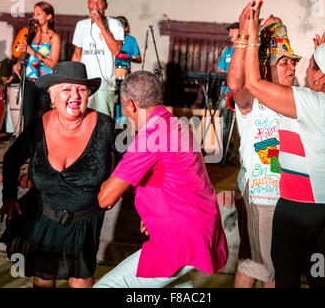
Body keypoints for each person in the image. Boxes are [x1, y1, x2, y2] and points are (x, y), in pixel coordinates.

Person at [244, 0, 325, 288]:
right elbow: (315, 94)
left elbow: (254, 84)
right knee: (319, 269)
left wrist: (252, 35)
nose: (305, 71)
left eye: (311, 66)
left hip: (304, 204)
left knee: (286, 274)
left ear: (321, 76)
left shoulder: (307, 101)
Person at [92, 71, 228, 288]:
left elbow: (105, 199)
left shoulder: (150, 136)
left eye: (124, 108)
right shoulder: (178, 125)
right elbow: (178, 178)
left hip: (180, 239)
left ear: (131, 105)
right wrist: (151, 214)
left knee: (106, 287)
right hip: (200, 229)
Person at [0, 61, 122, 288]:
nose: (75, 95)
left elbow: (136, 159)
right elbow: (11, 158)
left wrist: (117, 186)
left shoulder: (105, 127)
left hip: (84, 222)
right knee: (43, 278)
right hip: (44, 215)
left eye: (82, 90)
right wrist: (9, 196)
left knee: (81, 279)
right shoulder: (37, 128)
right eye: (67, 89)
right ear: (52, 96)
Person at [227, 1, 301, 288]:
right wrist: (246, 33)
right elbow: (236, 84)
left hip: (290, 196)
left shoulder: (297, 98)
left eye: (293, 62)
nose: (291, 67)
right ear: (268, 67)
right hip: (261, 195)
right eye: (284, 62)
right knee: (262, 266)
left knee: (263, 264)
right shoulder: (253, 99)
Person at [71, 0, 124, 117]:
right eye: (92, 2)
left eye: (100, 2)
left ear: (106, 5)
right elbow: (77, 54)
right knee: (82, 118)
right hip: (84, 80)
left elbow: (116, 51)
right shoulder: (81, 25)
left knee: (103, 119)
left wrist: (101, 25)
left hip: (104, 82)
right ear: (88, 4)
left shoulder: (115, 24)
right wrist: (72, 79)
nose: (95, 5)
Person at [10, 1, 61, 129]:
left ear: (49, 16)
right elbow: (26, 56)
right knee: (28, 119)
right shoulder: (31, 34)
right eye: (34, 13)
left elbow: (53, 63)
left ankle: (41, 147)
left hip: (45, 83)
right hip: (28, 81)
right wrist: (18, 64)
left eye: (39, 14)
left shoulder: (53, 37)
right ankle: (28, 147)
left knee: (42, 118)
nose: (35, 16)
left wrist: (34, 52)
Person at [215, 22, 240, 154]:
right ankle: (226, 151)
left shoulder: (242, 51)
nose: (229, 33)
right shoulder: (227, 51)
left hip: (239, 93)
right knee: (223, 123)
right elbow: (219, 70)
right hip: (225, 92)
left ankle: (236, 152)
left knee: (238, 124)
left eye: (232, 30)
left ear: (239, 31)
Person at [114, 16, 142, 124]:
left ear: (126, 28)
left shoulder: (131, 40)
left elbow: (139, 59)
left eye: (121, 26)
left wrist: (127, 58)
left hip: (125, 74)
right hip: (111, 73)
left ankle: (121, 126)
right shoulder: (111, 39)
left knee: (123, 102)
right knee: (113, 102)